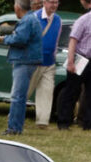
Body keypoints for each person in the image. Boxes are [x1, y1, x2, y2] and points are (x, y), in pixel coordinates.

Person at [57, 0, 91, 131]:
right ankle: (64, 123)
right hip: (80, 59)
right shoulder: (83, 20)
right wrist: (70, 62)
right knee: (72, 92)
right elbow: (73, 40)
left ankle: (90, 124)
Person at [0, 0, 43, 134]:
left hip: (24, 60)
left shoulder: (26, 20)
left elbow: (20, 39)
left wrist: (5, 39)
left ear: (18, 8)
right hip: (29, 60)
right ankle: (16, 126)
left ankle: (14, 128)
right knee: (21, 96)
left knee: (17, 96)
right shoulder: (32, 18)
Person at [28, 0, 62, 128]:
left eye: (56, 2)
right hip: (33, 62)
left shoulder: (58, 20)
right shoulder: (34, 18)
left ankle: (42, 121)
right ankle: (15, 114)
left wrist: (54, 56)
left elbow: (56, 41)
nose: (54, 5)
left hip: (49, 62)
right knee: (26, 90)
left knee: (46, 91)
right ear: (44, 2)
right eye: (51, 2)